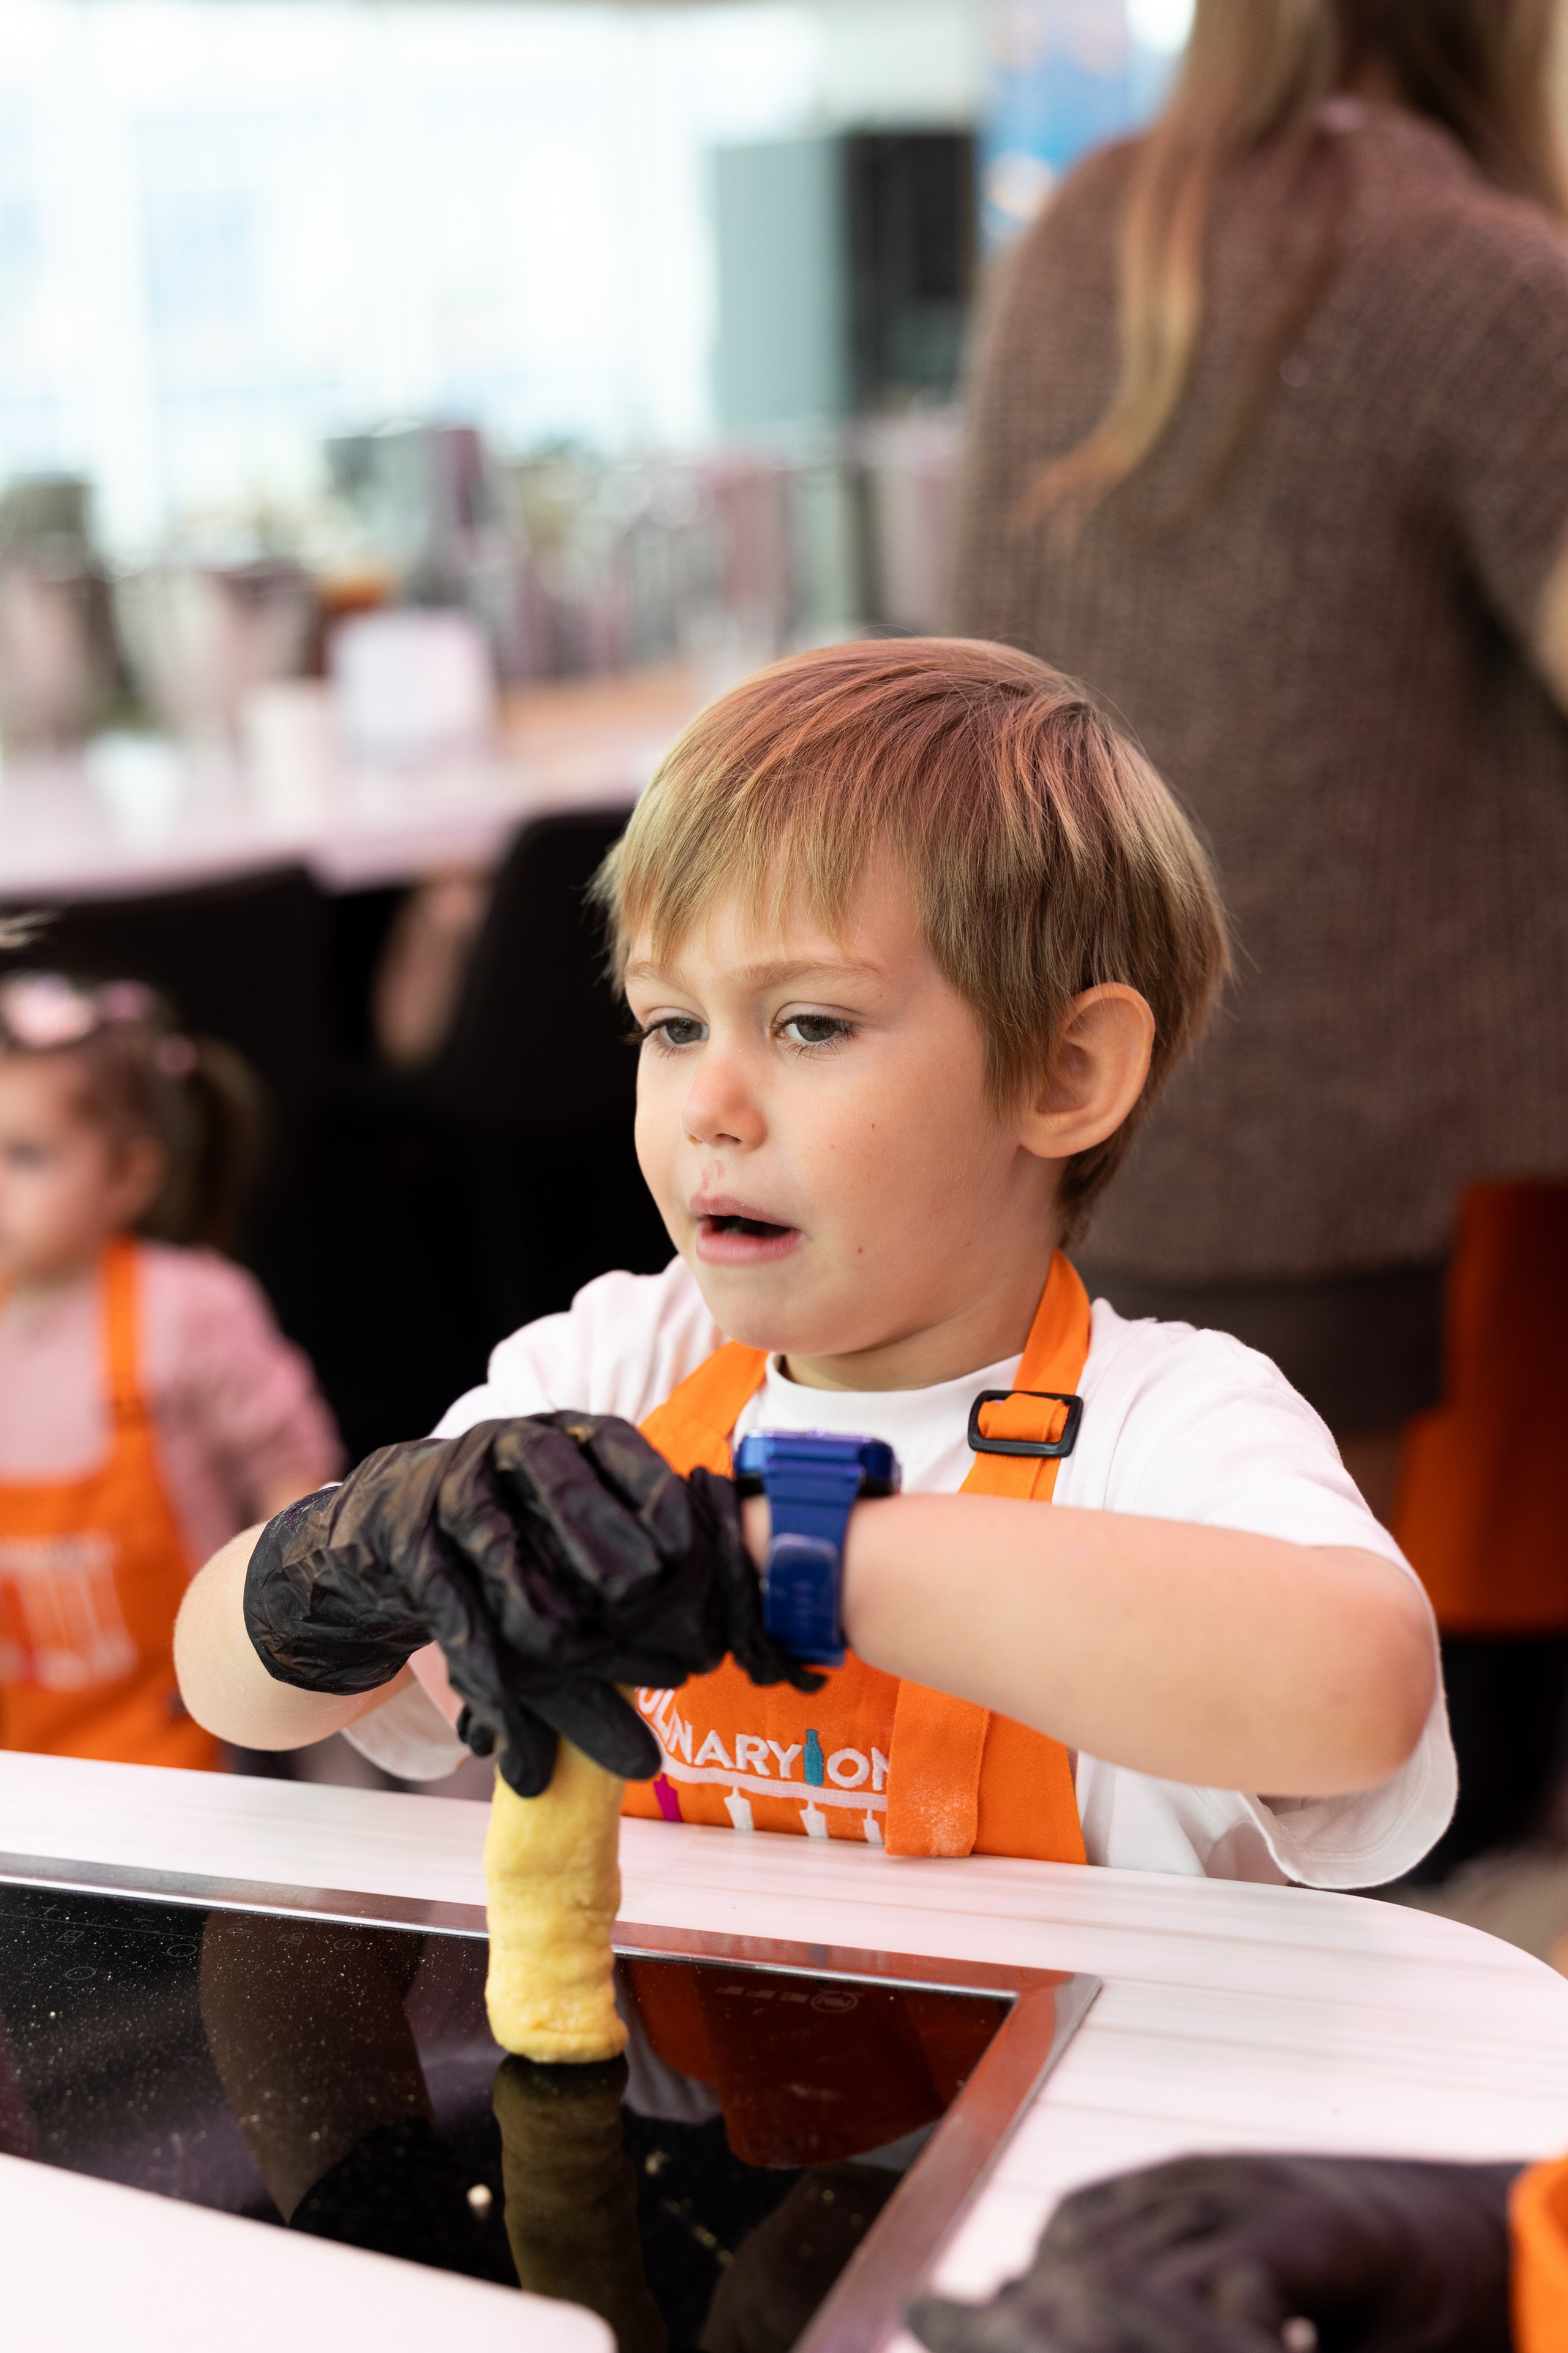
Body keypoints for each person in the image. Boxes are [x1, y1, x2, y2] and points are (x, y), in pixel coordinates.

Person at [175, 638, 1449, 1887]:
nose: (708, 1104)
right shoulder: (619, 1365)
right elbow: (227, 1676)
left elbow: (1361, 1693)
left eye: (810, 1023)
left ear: (1064, 1075)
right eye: (670, 1024)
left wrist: (789, 1557)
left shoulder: (1164, 1423)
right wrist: (352, 1556)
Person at [947, 0, 1568, 1856]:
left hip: (1055, 1101)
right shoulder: (1481, 277)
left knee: (1089, 1749)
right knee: (1312, 1776)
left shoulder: (1087, 239)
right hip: (1356, 1149)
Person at [0, 971, 341, 1766]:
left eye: (25, 1155)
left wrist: (293, 1643)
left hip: (200, 1755)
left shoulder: (191, 1310)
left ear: (129, 1176)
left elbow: (295, 1475)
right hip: (28, 1774)